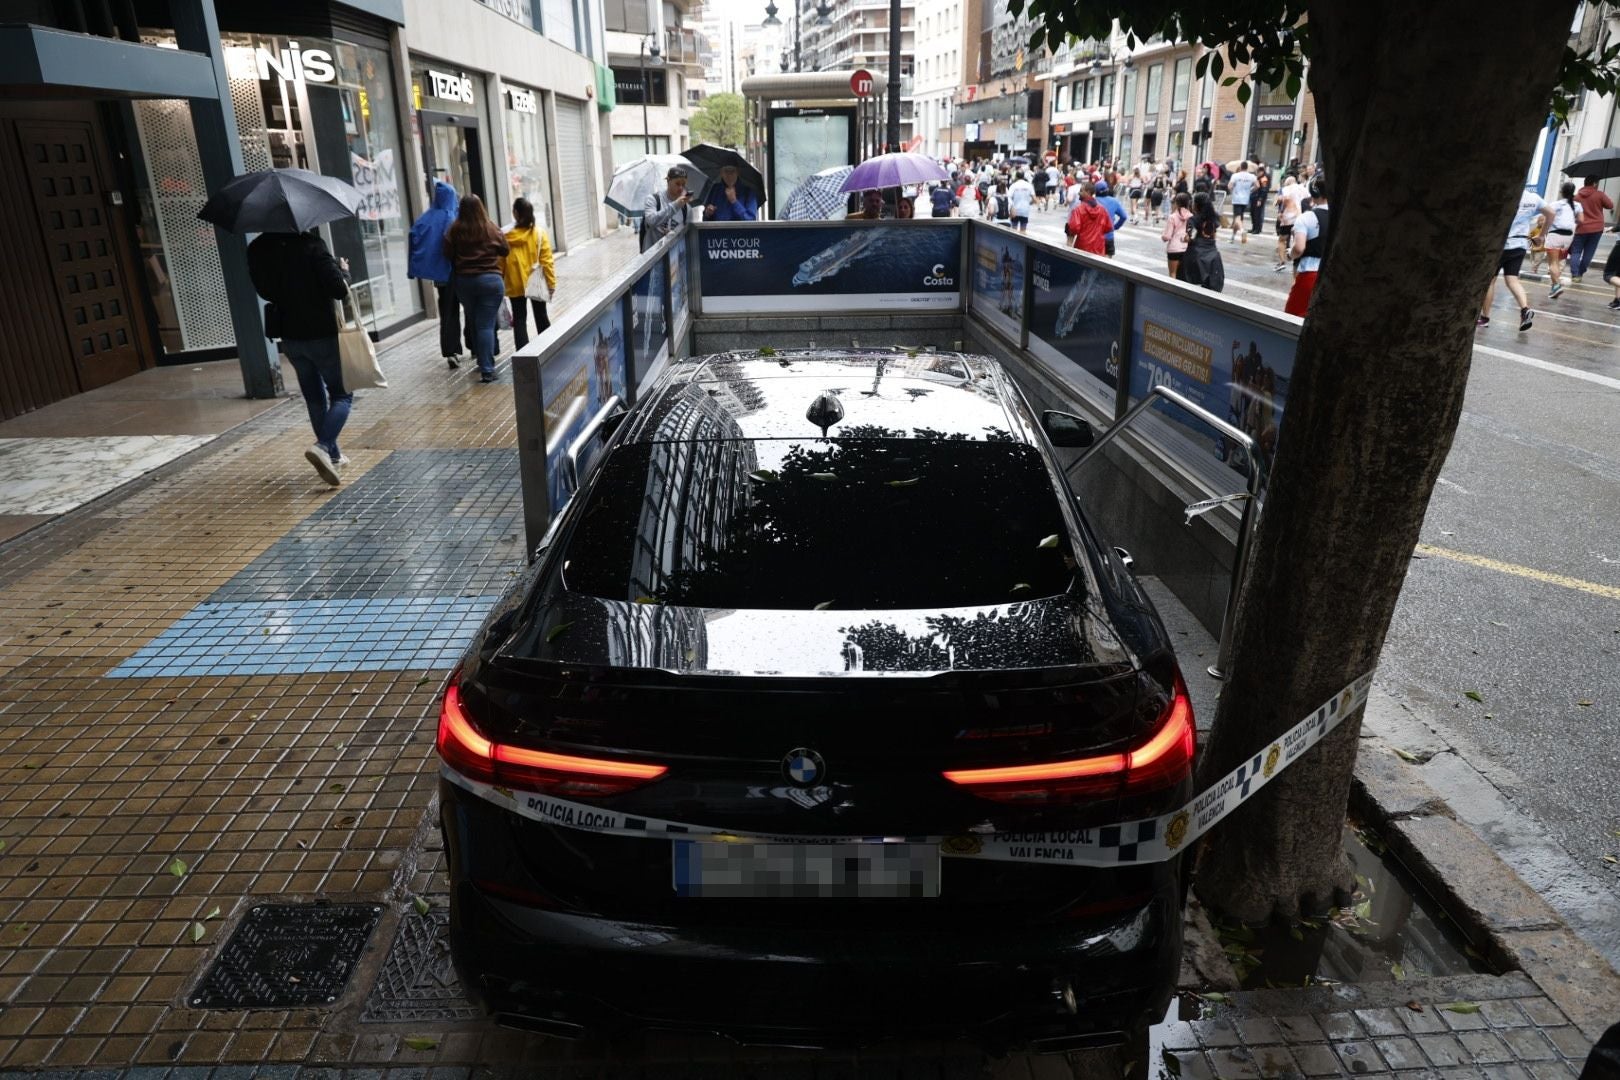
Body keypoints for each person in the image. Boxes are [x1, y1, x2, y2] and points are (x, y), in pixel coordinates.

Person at [246, 228, 353, 486]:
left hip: (290, 336)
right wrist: (343, 269)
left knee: (314, 398)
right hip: (321, 333)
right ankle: (324, 446)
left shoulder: (258, 248)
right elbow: (339, 289)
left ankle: (333, 456)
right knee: (342, 394)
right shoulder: (312, 245)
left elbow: (265, 292)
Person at [443, 194, 508, 382]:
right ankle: (487, 368)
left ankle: (483, 360)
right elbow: (505, 249)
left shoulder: (454, 230)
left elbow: (447, 253)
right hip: (491, 281)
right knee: (485, 324)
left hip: (465, 282)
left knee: (474, 321)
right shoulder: (491, 227)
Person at [408, 179, 468, 369]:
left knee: (448, 313)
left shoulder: (425, 219)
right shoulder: (453, 217)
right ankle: (474, 346)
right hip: (460, 272)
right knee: (470, 309)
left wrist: (414, 268)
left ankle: (450, 350)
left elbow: (414, 239)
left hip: (440, 277)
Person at [1479, 184, 1552, 331]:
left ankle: (1485, 318)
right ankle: (1525, 310)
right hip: (1519, 244)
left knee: (1490, 281)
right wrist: (1542, 235)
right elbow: (1551, 213)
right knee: (1512, 280)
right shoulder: (1533, 198)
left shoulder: (1505, 194)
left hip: (1500, 244)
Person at [501, 197, 556, 351]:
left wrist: (500, 279)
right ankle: (548, 350)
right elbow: (547, 261)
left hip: (514, 282)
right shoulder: (539, 234)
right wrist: (551, 284)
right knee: (541, 316)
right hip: (536, 281)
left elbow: (500, 261)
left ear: (516, 213)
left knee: (519, 320)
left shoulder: (505, 235)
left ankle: (523, 355)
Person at [1285, 177, 1331, 317]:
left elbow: (1299, 248)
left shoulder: (1308, 217)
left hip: (1310, 274)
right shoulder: (1341, 216)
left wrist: (1290, 254)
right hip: (1333, 273)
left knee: (1293, 317)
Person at [1177, 191, 1225, 291]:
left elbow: (1190, 238)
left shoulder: (1194, 219)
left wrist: (1183, 238)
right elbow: (1214, 236)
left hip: (1196, 254)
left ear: (1197, 205)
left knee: (1185, 281)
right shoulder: (1214, 218)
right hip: (1213, 254)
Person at [1570, 176, 1613, 282]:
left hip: (1581, 228)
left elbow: (1572, 211)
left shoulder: (1576, 197)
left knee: (1576, 252)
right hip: (1596, 229)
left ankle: (1574, 274)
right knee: (1589, 252)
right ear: (1594, 183)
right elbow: (1610, 205)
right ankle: (1580, 273)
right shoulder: (1599, 194)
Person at [1545, 181, 1581, 299]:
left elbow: (1547, 219)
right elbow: (1581, 220)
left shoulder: (1555, 204)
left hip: (1555, 234)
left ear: (1561, 192)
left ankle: (1557, 286)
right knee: (1558, 262)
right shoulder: (1577, 205)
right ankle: (1554, 288)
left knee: (1553, 263)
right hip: (1568, 237)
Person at [643, 165, 692, 250]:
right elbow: (651, 221)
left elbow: (688, 236)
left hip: (674, 257)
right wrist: (675, 205)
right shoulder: (653, 199)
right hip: (652, 257)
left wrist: (674, 235)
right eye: (677, 183)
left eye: (683, 184)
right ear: (668, 181)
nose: (681, 188)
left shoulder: (686, 209)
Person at [1065, 181, 1111, 255]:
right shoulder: (1102, 210)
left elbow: (1074, 228)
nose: (1079, 193)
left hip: (1082, 247)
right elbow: (1108, 228)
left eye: (1081, 191)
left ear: (1088, 192)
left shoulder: (1079, 209)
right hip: (1099, 248)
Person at [1274, 173, 1308, 272]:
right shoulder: (1303, 189)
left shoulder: (1285, 189)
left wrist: (1280, 211)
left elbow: (1281, 201)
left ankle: (1282, 262)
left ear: (1287, 183)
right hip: (1302, 217)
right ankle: (1296, 263)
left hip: (1288, 218)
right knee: (1298, 240)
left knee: (1282, 240)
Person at [1162, 191, 1193, 279]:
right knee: (1183, 275)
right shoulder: (1191, 216)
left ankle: (1172, 292)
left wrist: (1163, 237)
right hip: (1186, 248)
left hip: (1174, 249)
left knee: (1172, 274)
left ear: (1176, 203)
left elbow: (1167, 236)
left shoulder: (1173, 217)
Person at [1094, 181, 1128, 257]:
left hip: (1094, 236)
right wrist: (1115, 227)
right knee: (1107, 261)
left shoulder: (1093, 201)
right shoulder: (1114, 201)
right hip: (1108, 236)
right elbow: (1124, 216)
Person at [1226, 162, 1256, 244]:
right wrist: (1250, 190)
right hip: (1245, 199)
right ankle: (1232, 237)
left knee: (1237, 218)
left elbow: (1229, 186)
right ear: (1247, 168)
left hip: (1237, 199)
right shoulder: (1252, 176)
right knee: (1239, 219)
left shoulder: (1235, 176)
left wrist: (1233, 191)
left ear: (1240, 167)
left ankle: (1242, 231)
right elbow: (1257, 185)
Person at [1250, 166, 1271, 234]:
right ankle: (1254, 228)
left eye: (1258, 172)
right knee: (1253, 213)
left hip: (1259, 198)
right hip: (1255, 197)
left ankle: (1257, 229)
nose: (1257, 174)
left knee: (1257, 214)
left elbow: (1264, 190)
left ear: (1261, 172)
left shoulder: (1264, 178)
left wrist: (1260, 199)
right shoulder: (1259, 177)